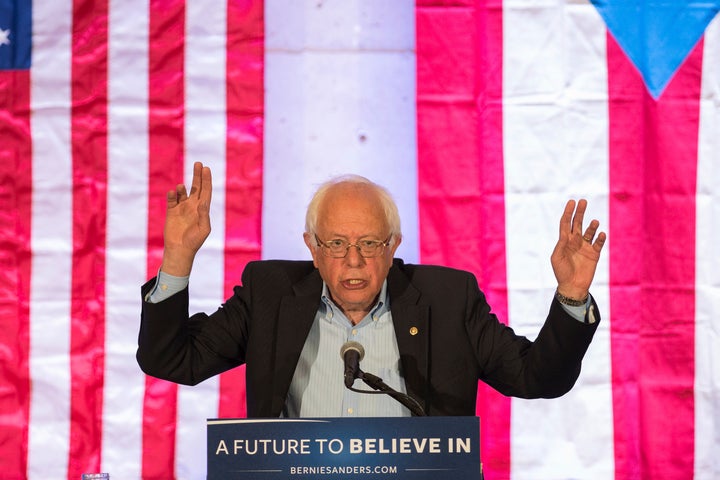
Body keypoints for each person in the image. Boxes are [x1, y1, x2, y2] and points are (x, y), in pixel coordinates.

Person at [137, 162, 607, 418]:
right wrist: (178, 258)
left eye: (370, 243)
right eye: (337, 244)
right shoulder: (269, 294)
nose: (354, 260)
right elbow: (172, 360)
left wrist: (570, 296)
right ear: (312, 249)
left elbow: (537, 378)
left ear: (394, 246)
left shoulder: (448, 299)